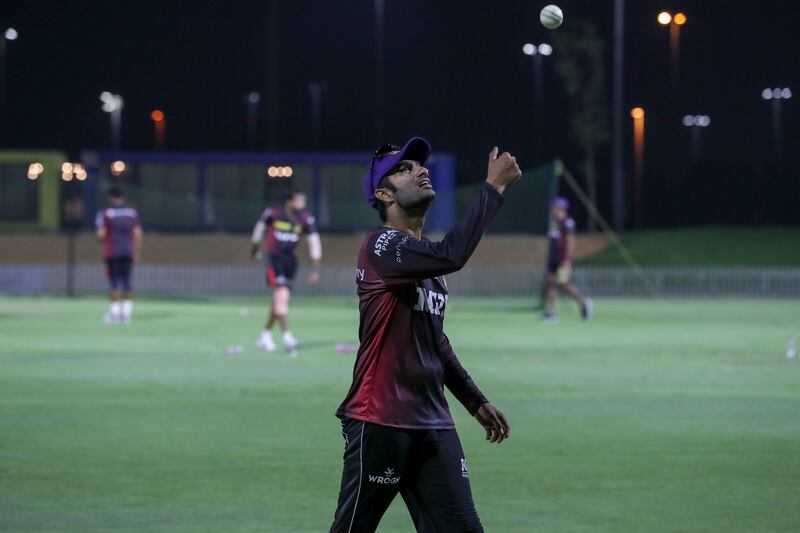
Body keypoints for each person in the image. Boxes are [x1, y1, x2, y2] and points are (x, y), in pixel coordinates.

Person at [330, 137, 519, 532]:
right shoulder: (380, 244)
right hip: (380, 418)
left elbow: (436, 342)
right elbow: (453, 255)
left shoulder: (424, 260)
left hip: (433, 423)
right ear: (384, 194)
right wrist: (493, 188)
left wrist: (475, 402)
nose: (420, 170)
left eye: (419, 165)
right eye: (404, 168)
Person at [250, 191, 322, 355]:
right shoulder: (273, 214)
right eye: (298, 201)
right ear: (289, 202)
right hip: (274, 260)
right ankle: (287, 336)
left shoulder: (305, 219)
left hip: (290, 263)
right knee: (281, 297)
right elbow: (258, 232)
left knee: (278, 299)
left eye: (303, 201)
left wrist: (315, 269)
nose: (302, 204)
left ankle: (265, 335)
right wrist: (254, 250)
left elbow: (314, 243)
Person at [95, 187, 142, 324]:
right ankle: (126, 315)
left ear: (111, 197)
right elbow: (138, 234)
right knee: (127, 281)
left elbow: (101, 234)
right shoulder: (131, 213)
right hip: (128, 251)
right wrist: (136, 251)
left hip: (112, 252)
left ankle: (114, 314)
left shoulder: (106, 213)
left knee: (114, 282)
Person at [542, 197, 592, 323]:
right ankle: (551, 313)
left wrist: (567, 260)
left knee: (564, 286)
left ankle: (584, 303)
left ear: (560, 208)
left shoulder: (567, 223)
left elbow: (570, 242)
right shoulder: (554, 223)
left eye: (553, 208)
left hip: (563, 260)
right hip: (554, 260)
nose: (552, 211)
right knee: (550, 284)